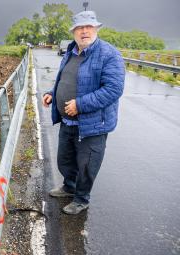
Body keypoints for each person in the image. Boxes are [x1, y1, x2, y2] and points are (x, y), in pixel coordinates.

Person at [42, 10, 125, 215]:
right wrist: (52, 94)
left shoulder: (109, 54)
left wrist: (80, 105)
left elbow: (113, 89)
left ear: (96, 29)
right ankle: (69, 187)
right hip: (67, 121)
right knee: (65, 159)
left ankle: (81, 199)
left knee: (87, 164)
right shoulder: (71, 51)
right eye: (80, 28)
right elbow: (66, 79)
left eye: (89, 27)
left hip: (93, 124)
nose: (84, 31)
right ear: (73, 32)